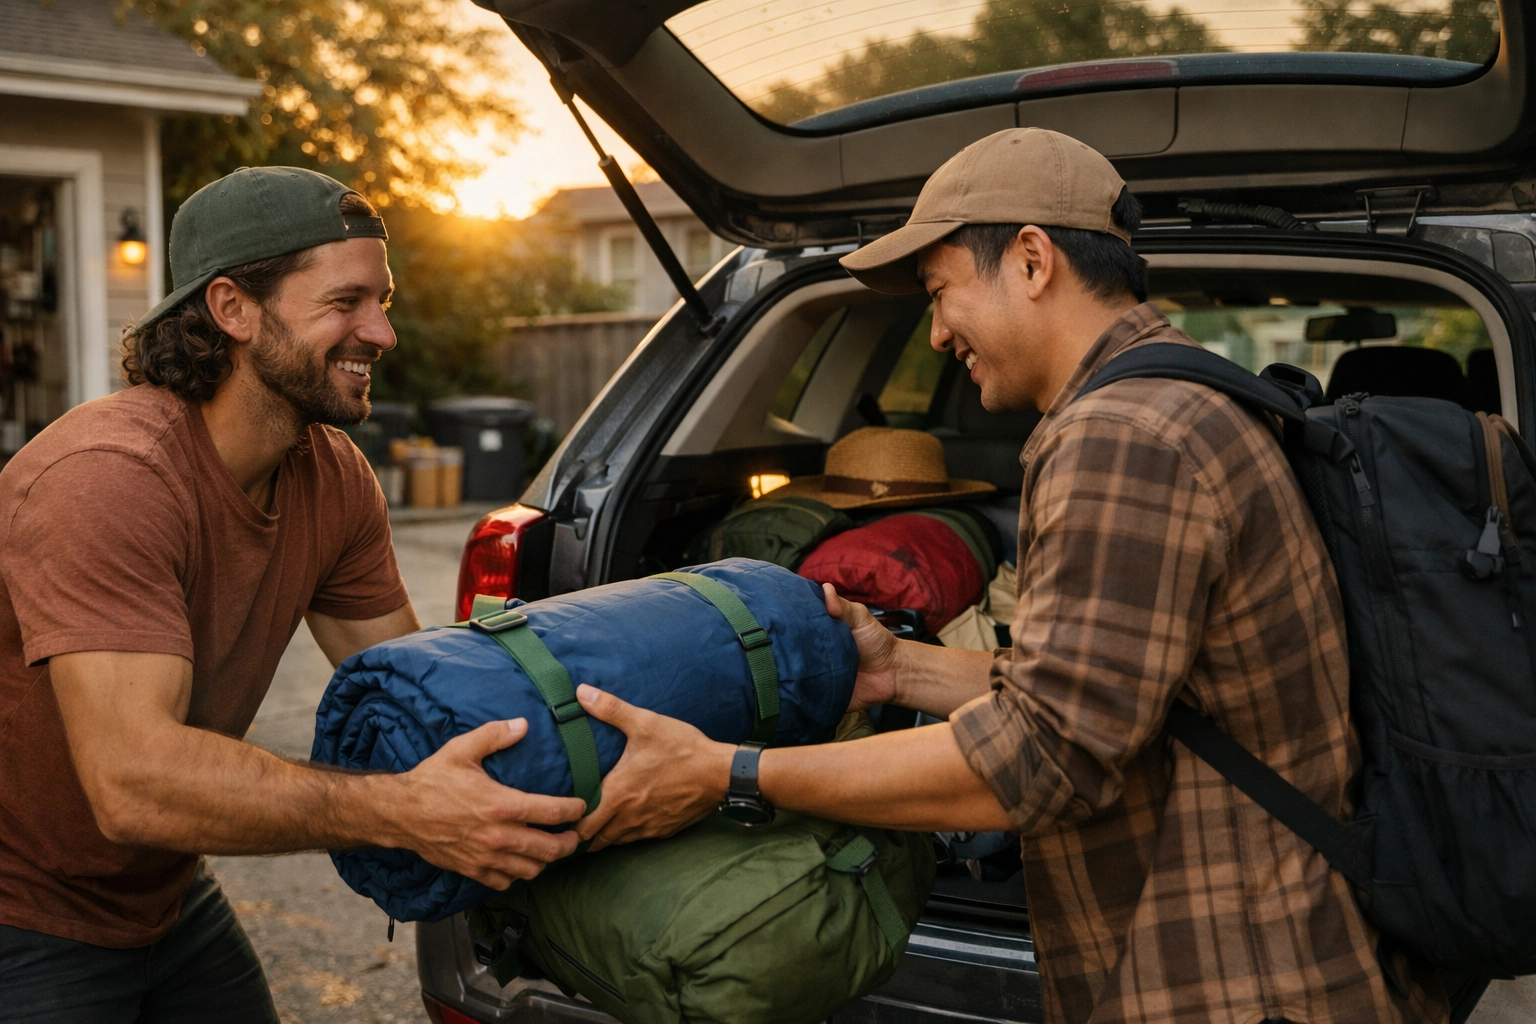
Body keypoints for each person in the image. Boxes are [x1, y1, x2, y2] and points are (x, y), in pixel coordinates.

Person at [568, 129, 1448, 1024]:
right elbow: (1115, 699)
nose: (939, 331)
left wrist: (731, 772)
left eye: (942, 291)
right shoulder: (1184, 400)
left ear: (1032, 260)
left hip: (1235, 977)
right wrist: (901, 669)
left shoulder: (1121, 437)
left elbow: (1038, 763)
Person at [0, 167, 585, 1021]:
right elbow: (133, 783)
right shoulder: (109, 480)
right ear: (233, 308)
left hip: (157, 894)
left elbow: (414, 692)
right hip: (20, 906)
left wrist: (629, 745)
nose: (382, 331)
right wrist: (401, 813)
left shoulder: (331, 474)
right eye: (346, 301)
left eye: (384, 300)